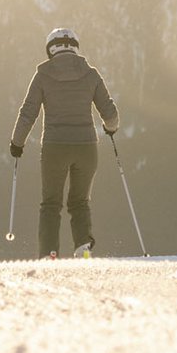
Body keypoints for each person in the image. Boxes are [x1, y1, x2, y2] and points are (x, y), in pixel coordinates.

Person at [8, 27, 119, 259]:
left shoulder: (42, 75)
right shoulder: (91, 74)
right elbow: (110, 114)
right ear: (75, 47)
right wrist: (111, 129)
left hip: (55, 147)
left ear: (51, 49)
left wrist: (17, 144)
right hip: (87, 148)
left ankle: (49, 255)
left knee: (51, 204)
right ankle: (83, 249)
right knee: (80, 201)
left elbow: (28, 113)